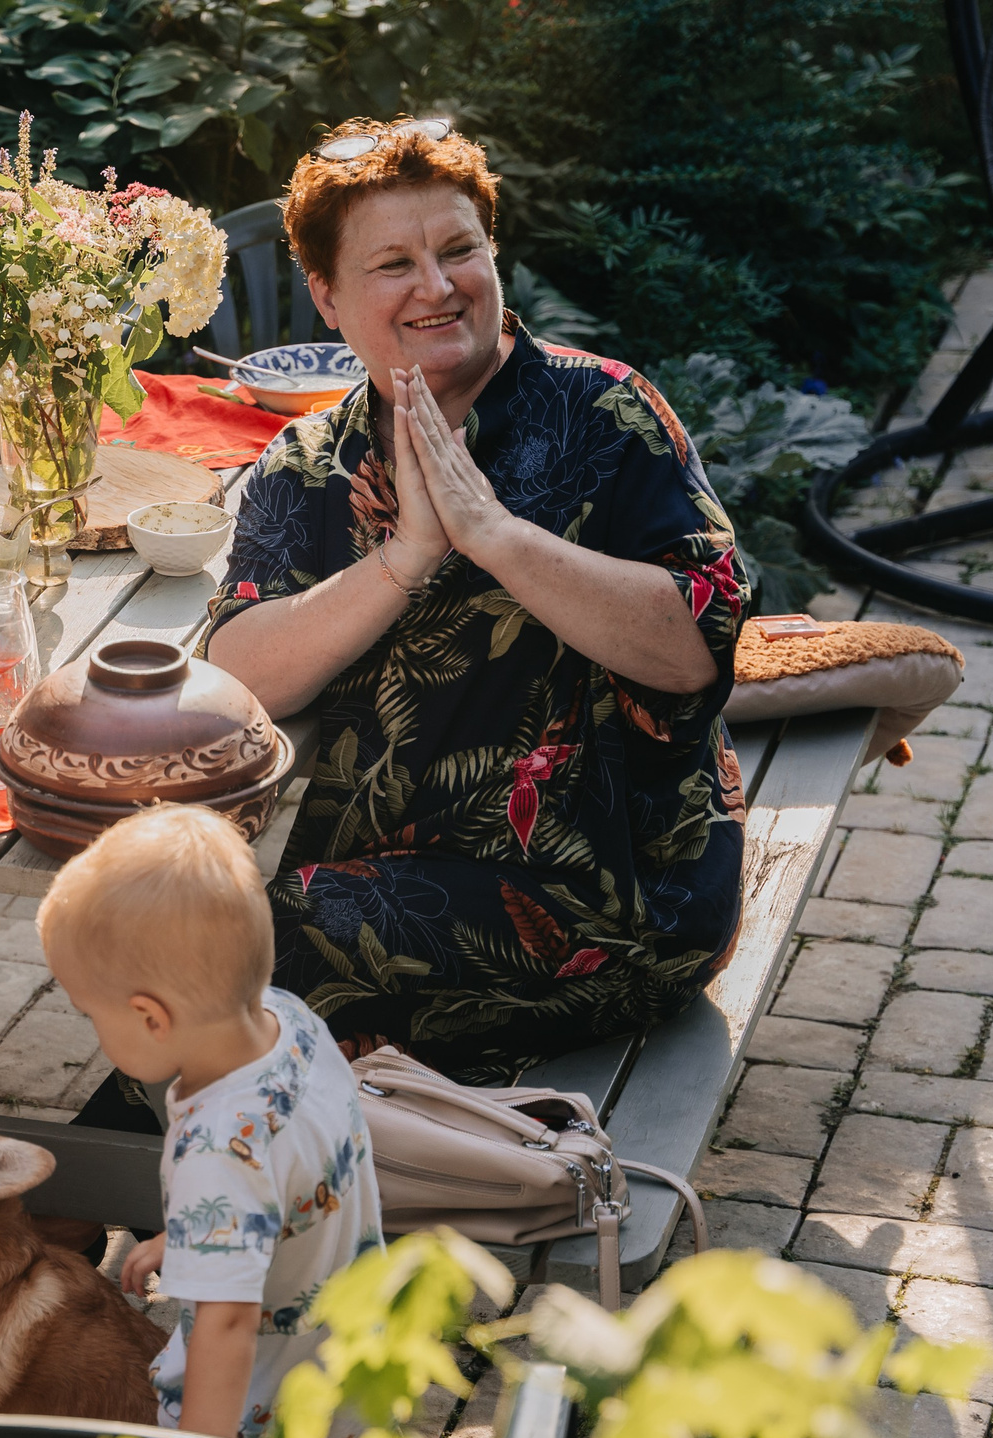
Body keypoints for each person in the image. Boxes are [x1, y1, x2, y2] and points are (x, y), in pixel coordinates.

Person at [194, 118, 749, 1086]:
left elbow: (696, 645)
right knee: (205, 942)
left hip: (613, 900)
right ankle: (126, 1199)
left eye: (459, 250)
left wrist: (492, 535)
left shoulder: (607, 417)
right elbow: (237, 674)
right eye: (394, 264)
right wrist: (404, 559)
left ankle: (77, 1204)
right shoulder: (309, 463)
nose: (438, 285)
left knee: (262, 950)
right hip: (394, 883)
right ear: (326, 296)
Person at [38, 806, 383, 1438]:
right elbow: (302, 1171)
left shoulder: (216, 1154)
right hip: (347, 1379)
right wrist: (201, 1237)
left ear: (150, 1018)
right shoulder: (291, 1022)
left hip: (263, 1426)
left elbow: (226, 1331)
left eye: (91, 1014)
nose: (94, 1028)